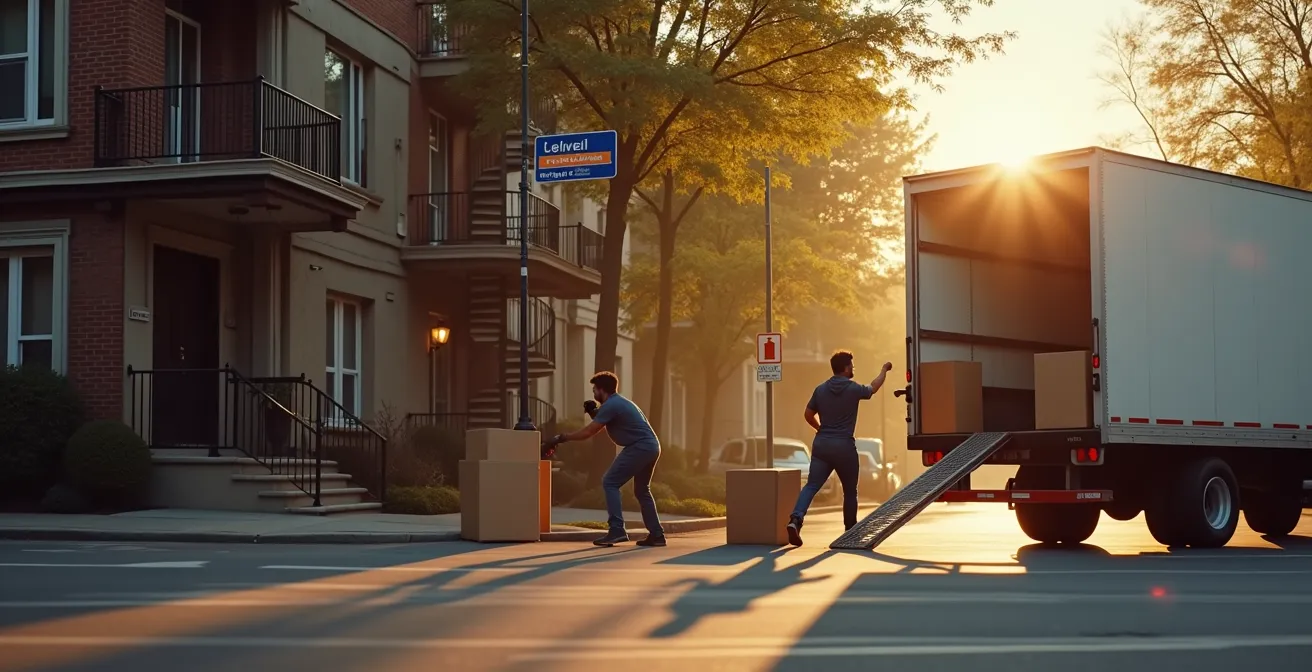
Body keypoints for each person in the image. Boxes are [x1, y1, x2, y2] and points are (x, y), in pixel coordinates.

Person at [546, 371, 666, 547]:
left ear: (602, 390)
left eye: (595, 389)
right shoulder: (619, 402)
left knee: (610, 482)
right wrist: (594, 413)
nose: (593, 393)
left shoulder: (611, 404)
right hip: (651, 446)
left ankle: (616, 530)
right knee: (642, 490)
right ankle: (657, 535)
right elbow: (606, 421)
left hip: (639, 447)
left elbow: (588, 432)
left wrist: (561, 437)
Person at [786, 351, 893, 546]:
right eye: (851, 365)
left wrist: (820, 429)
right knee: (850, 491)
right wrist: (884, 369)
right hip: (844, 446)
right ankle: (850, 532)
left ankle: (795, 520)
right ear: (845, 368)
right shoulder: (853, 389)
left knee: (811, 486)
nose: (853, 368)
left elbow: (808, 414)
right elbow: (874, 387)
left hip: (822, 445)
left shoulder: (820, 390)